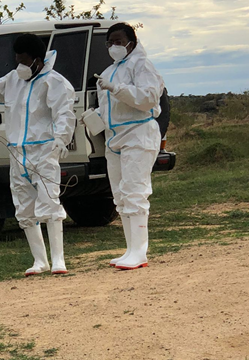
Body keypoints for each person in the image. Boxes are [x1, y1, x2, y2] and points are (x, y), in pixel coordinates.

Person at [0, 34, 76, 276]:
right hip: (18, 153)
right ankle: (40, 260)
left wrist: (61, 140)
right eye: (17, 59)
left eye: (24, 60)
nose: (19, 65)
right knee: (24, 206)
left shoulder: (55, 82)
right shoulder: (13, 80)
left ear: (37, 59)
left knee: (49, 201)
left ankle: (58, 259)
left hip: (44, 150)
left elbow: (64, 114)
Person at [86, 22, 164, 270]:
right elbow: (111, 108)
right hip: (115, 137)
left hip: (138, 132)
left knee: (135, 192)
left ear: (132, 42)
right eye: (110, 42)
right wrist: (94, 116)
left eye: (119, 41)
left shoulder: (142, 66)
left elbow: (148, 98)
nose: (114, 46)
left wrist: (118, 89)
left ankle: (140, 252)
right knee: (120, 196)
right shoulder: (108, 72)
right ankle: (130, 249)